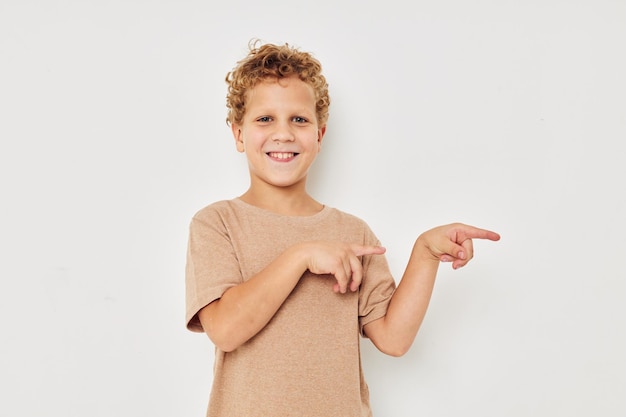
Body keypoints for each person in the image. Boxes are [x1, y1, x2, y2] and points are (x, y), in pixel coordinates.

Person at [185, 40, 500, 417]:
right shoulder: (216, 223)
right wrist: (301, 255)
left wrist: (425, 253)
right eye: (264, 118)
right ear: (238, 134)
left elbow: (394, 339)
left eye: (299, 119)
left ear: (319, 137)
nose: (283, 133)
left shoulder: (352, 231)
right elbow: (225, 330)